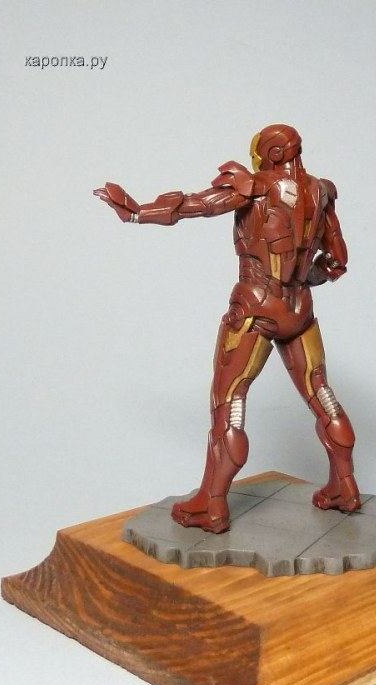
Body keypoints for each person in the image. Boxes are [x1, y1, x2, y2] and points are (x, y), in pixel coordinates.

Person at [94, 124, 361, 533]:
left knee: (230, 401)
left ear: (271, 154)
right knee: (321, 393)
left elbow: (195, 205)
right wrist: (303, 278)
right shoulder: (321, 191)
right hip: (300, 309)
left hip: (254, 307)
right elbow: (337, 260)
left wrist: (135, 212)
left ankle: (212, 504)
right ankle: (345, 486)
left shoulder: (254, 186)